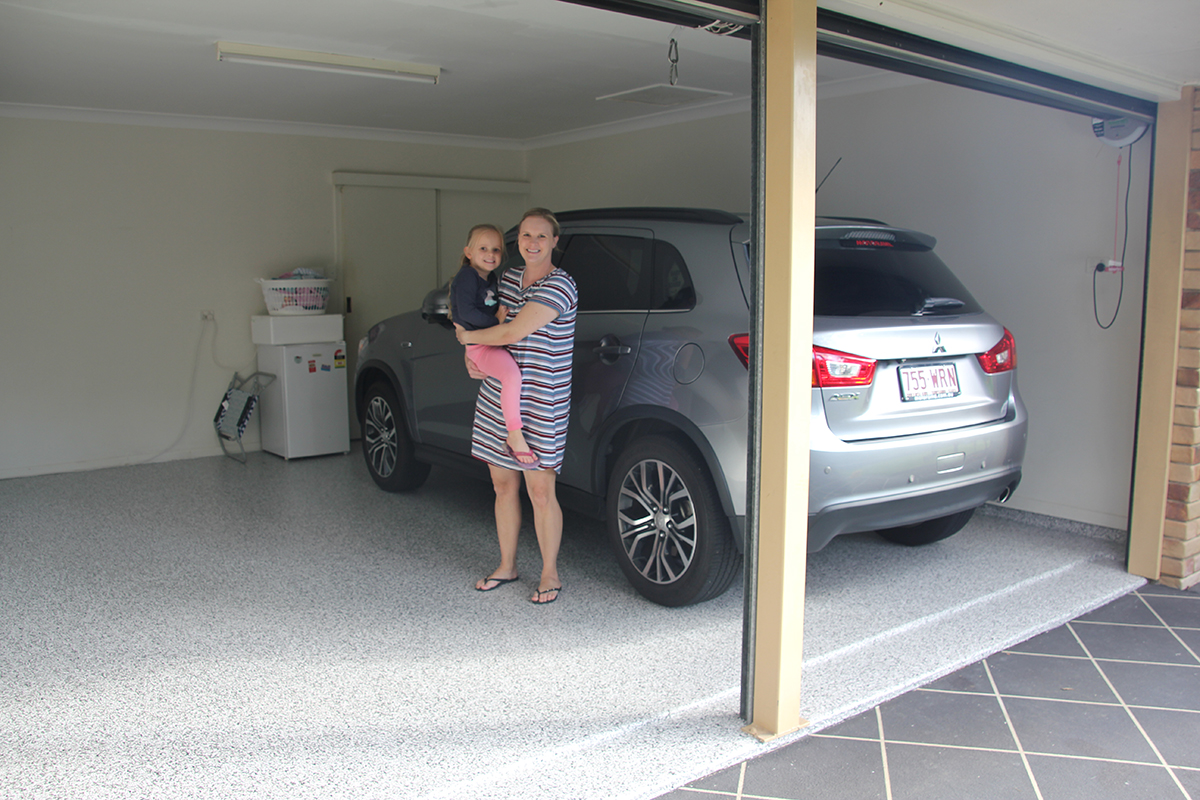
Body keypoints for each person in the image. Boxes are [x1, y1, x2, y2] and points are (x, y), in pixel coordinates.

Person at [455, 208, 577, 605]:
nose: (533, 243)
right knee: (502, 485)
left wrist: (466, 338)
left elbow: (512, 330)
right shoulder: (506, 278)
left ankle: (549, 573)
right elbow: (484, 321)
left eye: (542, 236)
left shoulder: (561, 286)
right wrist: (472, 354)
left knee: (541, 493)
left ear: (554, 241)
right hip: (498, 396)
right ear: (518, 240)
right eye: (526, 235)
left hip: (543, 401)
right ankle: (507, 565)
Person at [449, 224, 536, 467]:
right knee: (510, 375)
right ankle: (515, 435)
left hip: (484, 341)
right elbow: (466, 312)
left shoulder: (491, 277)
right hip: (481, 345)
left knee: (510, 376)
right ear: (468, 252)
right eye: (483, 249)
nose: (490, 254)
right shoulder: (467, 276)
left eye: (496, 250)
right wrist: (495, 323)